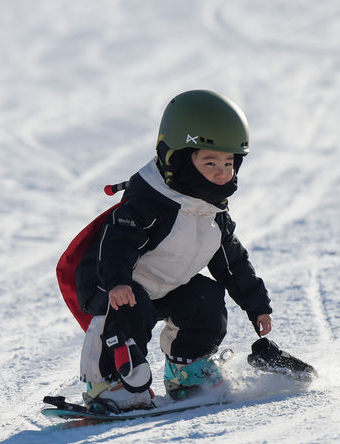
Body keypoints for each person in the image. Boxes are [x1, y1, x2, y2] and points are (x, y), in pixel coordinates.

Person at [71, 89, 273, 411]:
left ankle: (186, 370)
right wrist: (116, 281)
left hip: (166, 286)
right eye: (210, 161)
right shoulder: (150, 203)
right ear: (178, 159)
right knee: (129, 310)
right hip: (113, 282)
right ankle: (108, 383)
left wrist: (257, 305)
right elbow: (116, 242)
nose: (222, 172)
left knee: (205, 298)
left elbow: (232, 262)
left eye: (229, 162)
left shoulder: (213, 213)